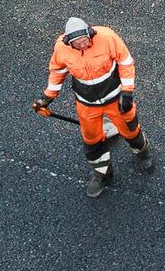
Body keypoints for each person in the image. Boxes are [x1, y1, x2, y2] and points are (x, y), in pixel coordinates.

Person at [32, 17, 154, 198]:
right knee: (91, 142)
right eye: (77, 44)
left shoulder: (107, 37)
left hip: (116, 101)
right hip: (87, 106)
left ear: (90, 34)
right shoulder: (61, 48)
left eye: (85, 41)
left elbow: (125, 62)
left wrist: (127, 92)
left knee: (131, 131)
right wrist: (47, 98)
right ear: (68, 42)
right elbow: (57, 72)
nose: (82, 45)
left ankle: (143, 154)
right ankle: (103, 174)